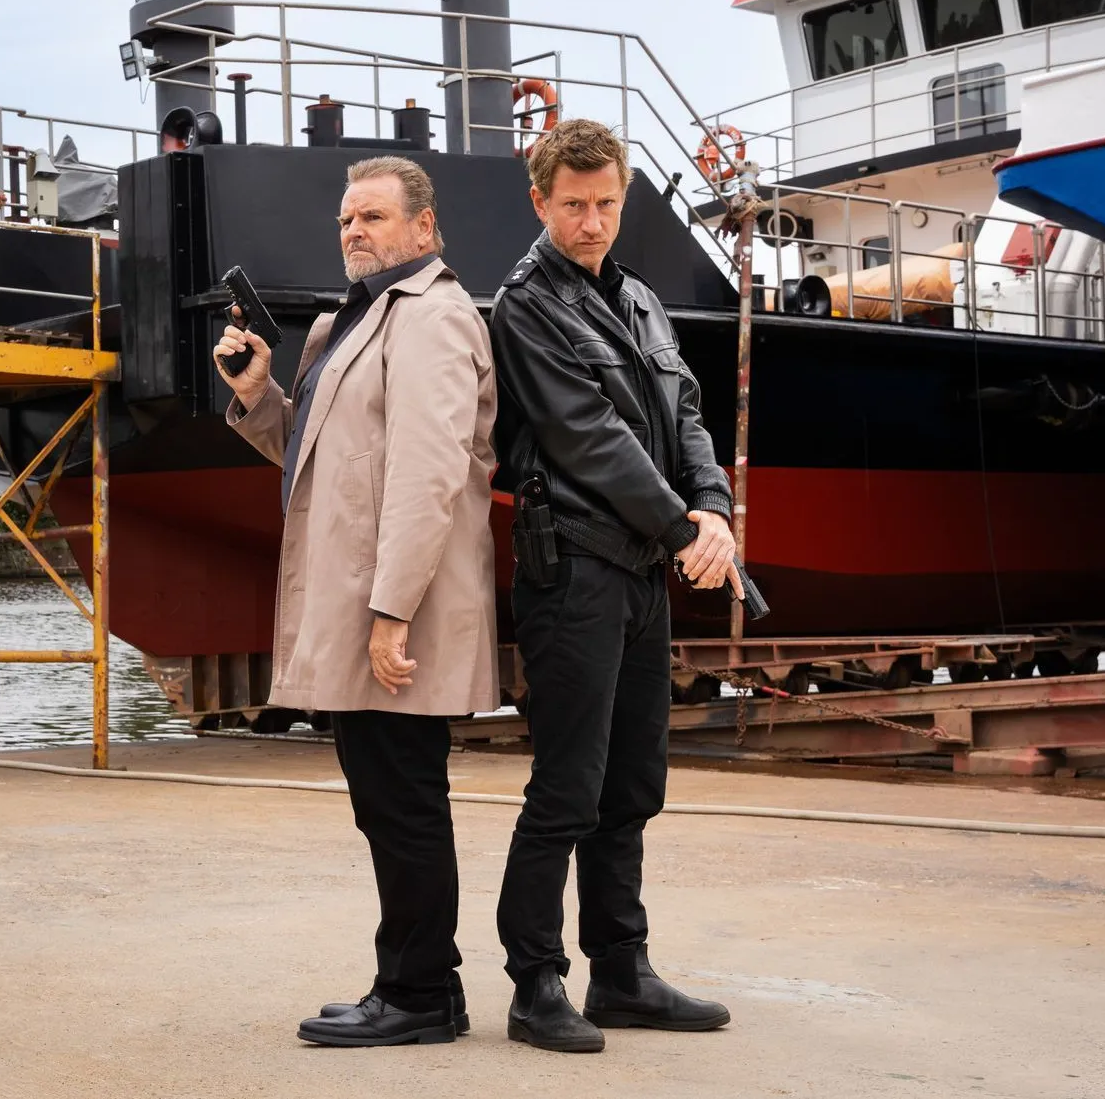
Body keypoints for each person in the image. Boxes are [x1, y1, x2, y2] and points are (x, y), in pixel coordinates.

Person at [213, 155, 498, 1048]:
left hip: (394, 610)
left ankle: (420, 994)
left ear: (424, 227)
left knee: (403, 800)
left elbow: (427, 474)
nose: (354, 231)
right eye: (346, 219)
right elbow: (318, 456)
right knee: (386, 799)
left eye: (372, 216)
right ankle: (415, 979)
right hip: (364, 603)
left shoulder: (434, 317)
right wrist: (259, 394)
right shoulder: (353, 322)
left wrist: (392, 611)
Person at [488, 119, 738, 1054]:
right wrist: (685, 529)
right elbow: (587, 436)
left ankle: (622, 972)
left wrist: (713, 508)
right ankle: (535, 983)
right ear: (540, 202)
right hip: (574, 570)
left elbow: (687, 414)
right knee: (568, 785)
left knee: (633, 782)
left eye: (605, 204)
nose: (591, 222)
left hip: (640, 573)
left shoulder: (639, 301)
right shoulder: (525, 307)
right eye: (573, 205)